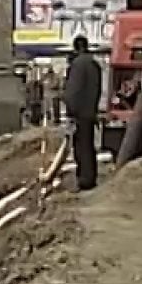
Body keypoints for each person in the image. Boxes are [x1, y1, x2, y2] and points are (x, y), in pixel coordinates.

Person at [63, 35, 103, 190]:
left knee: (81, 147)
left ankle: (85, 179)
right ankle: (91, 176)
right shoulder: (94, 64)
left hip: (79, 113)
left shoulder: (78, 65)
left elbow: (73, 90)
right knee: (89, 145)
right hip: (90, 111)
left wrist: (70, 111)